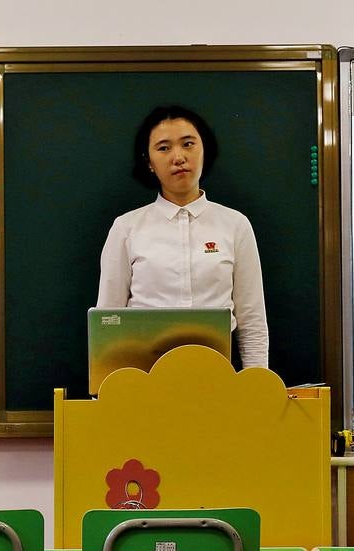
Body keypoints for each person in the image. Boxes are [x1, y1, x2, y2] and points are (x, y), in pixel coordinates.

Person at [97, 105, 269, 369]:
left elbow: (252, 319)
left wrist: (257, 383)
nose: (178, 157)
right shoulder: (126, 227)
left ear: (204, 150)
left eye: (188, 144)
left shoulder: (235, 224)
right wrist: (109, 391)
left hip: (219, 371)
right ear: (149, 163)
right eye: (164, 148)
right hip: (142, 375)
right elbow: (107, 321)